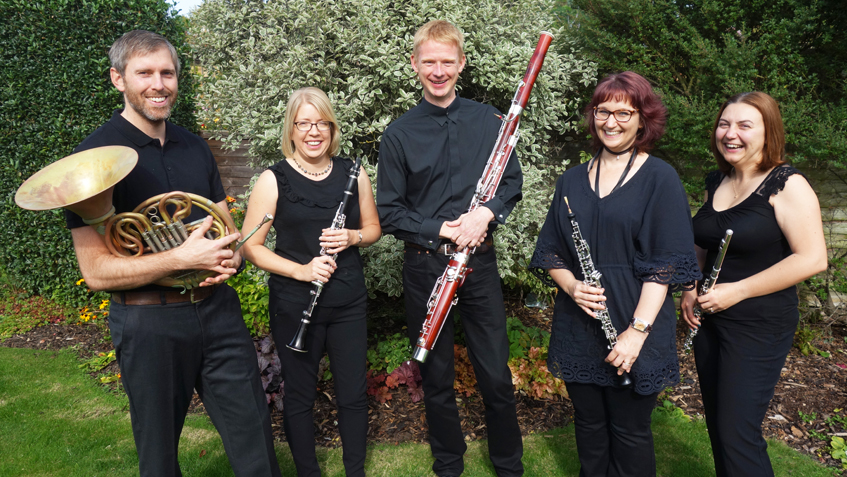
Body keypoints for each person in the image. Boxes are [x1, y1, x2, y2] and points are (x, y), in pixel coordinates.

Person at [64, 30, 281, 477]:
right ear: (118, 79)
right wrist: (180, 259)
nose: (158, 83)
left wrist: (228, 257)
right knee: (159, 458)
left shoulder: (195, 146)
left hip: (217, 312)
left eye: (167, 72)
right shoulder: (88, 162)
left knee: (256, 446)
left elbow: (228, 234)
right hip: (148, 324)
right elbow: (96, 271)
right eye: (144, 73)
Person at [529, 71, 701, 476]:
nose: (611, 122)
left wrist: (636, 332)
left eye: (624, 113)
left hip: (634, 321)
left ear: (643, 119)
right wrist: (572, 286)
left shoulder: (660, 177)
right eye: (602, 111)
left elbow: (666, 265)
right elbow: (551, 250)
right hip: (579, 322)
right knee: (588, 427)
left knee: (630, 432)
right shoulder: (571, 179)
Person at [376, 19, 524, 477]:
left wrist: (487, 214)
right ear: (416, 65)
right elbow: (390, 213)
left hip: (479, 267)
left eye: (447, 61)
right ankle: (448, 466)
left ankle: (509, 467)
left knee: (496, 376)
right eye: (429, 62)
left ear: (461, 63)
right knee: (435, 377)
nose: (438, 71)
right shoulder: (398, 134)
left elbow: (512, 183)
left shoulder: (492, 122)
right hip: (426, 268)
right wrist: (443, 228)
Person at [681, 91, 827, 476]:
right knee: (719, 428)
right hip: (711, 321)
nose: (731, 133)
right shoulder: (719, 180)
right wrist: (690, 286)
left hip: (759, 324)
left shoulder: (785, 183)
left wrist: (737, 290)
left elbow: (812, 258)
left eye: (745, 125)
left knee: (737, 433)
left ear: (768, 132)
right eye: (724, 124)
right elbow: (704, 237)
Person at [240, 86, 380, 477]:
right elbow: (251, 247)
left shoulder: (354, 171)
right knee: (300, 397)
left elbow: (373, 228)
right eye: (304, 123)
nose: (313, 131)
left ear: (332, 128)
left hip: (348, 300)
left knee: (352, 395)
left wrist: (353, 236)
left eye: (321, 122)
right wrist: (300, 270)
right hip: (294, 301)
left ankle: (356, 471)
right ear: (292, 129)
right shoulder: (273, 179)